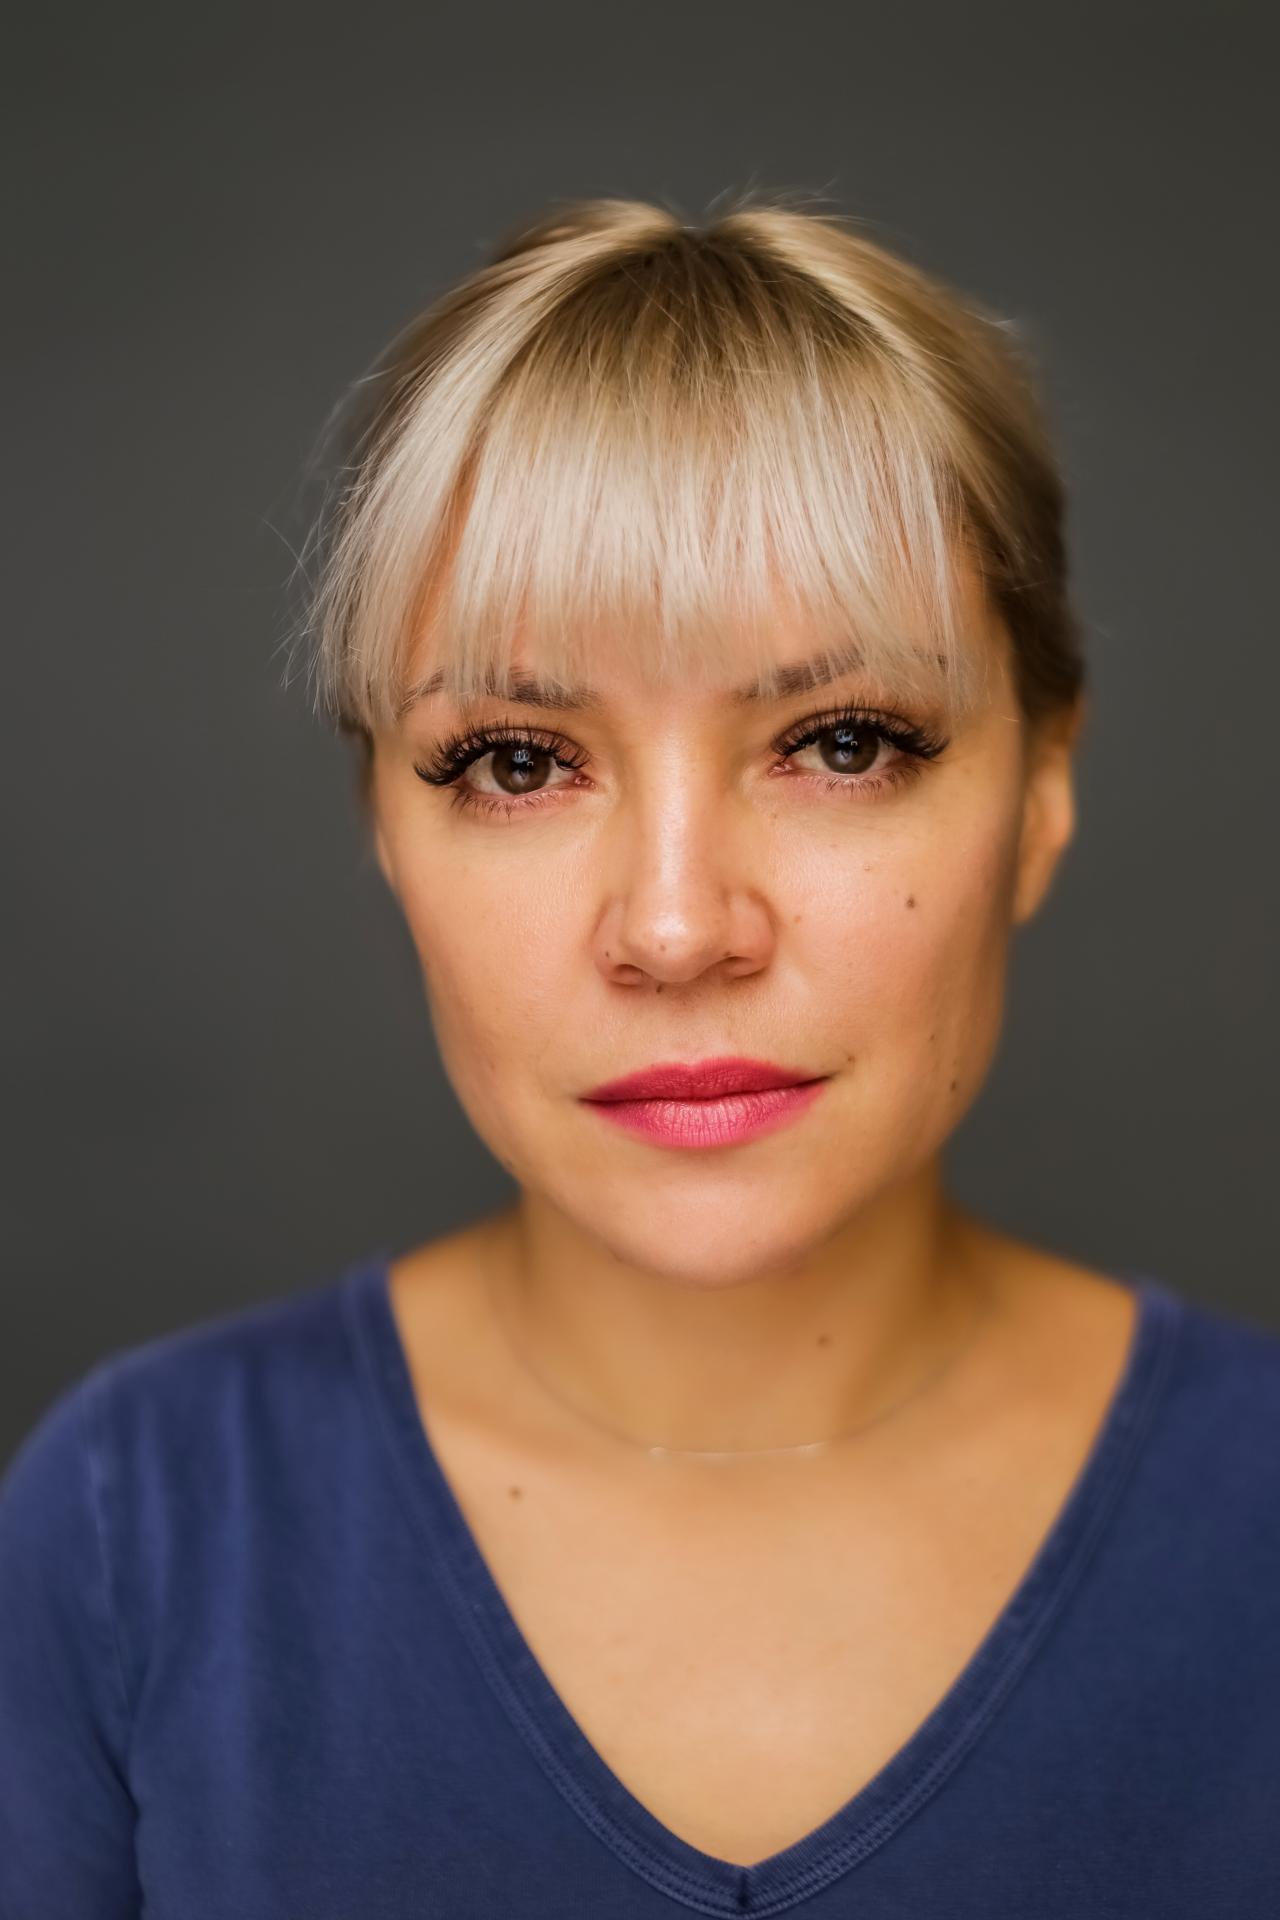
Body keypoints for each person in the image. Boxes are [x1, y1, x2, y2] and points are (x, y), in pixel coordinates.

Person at [2, 191, 1278, 1919]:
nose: (677, 930)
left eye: (843, 741)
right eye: (519, 763)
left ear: (1042, 789)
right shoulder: (131, 1528)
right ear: (382, 824)